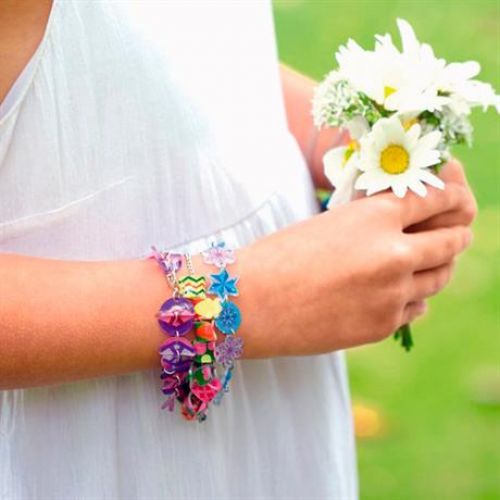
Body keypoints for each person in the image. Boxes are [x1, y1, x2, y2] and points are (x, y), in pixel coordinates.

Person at [0, 1, 477, 499]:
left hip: (274, 421)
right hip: (81, 445)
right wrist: (251, 300)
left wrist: (344, 141)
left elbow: (162, 42)